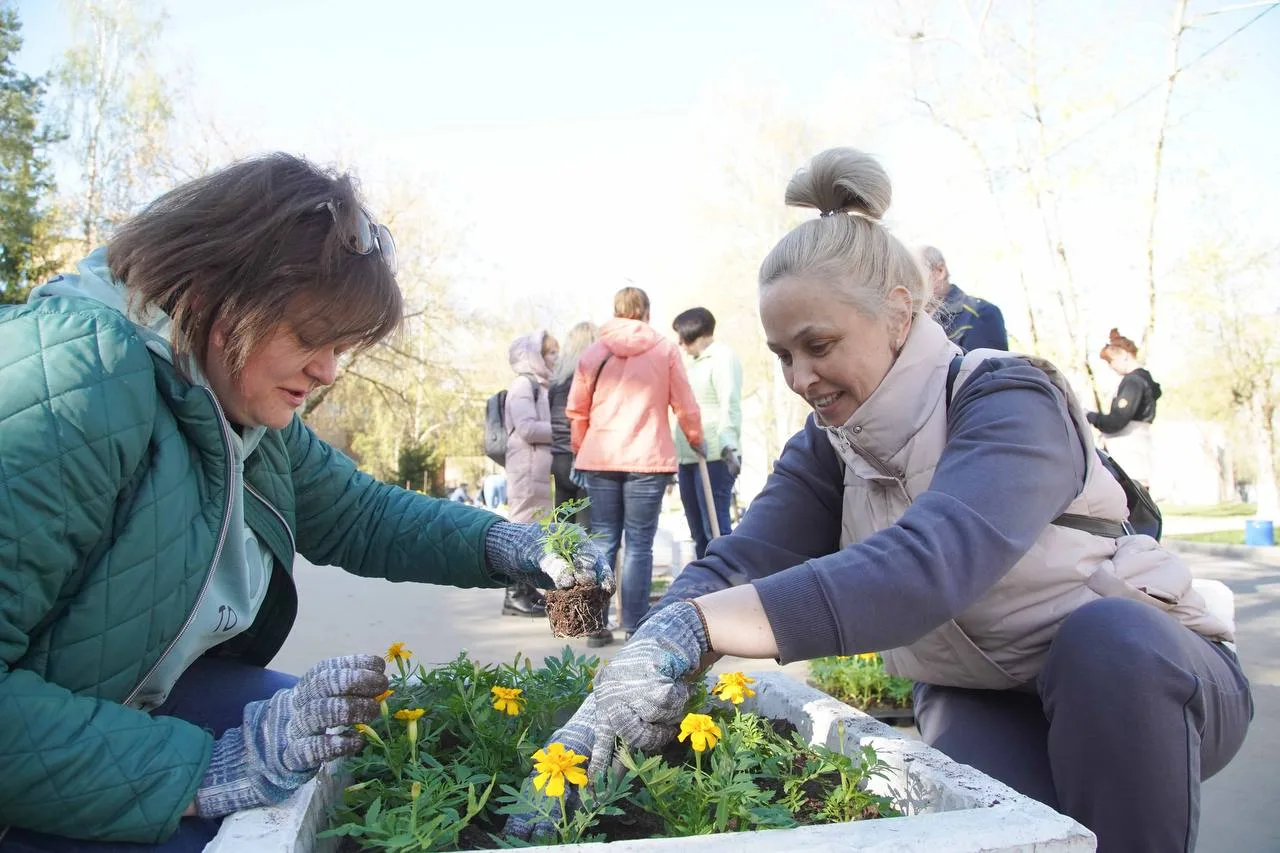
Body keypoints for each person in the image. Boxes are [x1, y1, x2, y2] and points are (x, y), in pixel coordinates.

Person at [514, 149, 1250, 853]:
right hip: (986, 690)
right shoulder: (828, 444)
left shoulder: (1007, 399)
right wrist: (649, 656)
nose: (801, 376)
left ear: (899, 312)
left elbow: (929, 565)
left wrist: (698, 628)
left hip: (1140, 677)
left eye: (819, 344)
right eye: (782, 356)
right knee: (995, 808)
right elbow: (744, 560)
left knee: (1104, 643)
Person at [0, 153, 612, 852]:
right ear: (217, 297)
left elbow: (359, 513)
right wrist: (211, 768)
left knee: (352, 761)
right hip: (42, 750)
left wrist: (507, 546)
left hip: (125, 698)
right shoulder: (77, 382)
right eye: (312, 337)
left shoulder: (238, 402)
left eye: (341, 346)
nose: (327, 371)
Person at [567, 287, 704, 648]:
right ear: (646, 311)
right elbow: (685, 404)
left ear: (615, 311)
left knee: (604, 540)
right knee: (640, 544)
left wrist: (582, 446)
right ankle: (634, 624)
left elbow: (577, 409)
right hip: (648, 457)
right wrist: (695, 437)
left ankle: (596, 625)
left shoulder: (594, 353)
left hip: (601, 457)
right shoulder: (664, 350)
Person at [671, 307, 743, 558]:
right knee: (697, 531)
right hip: (687, 457)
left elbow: (729, 401)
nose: (680, 343)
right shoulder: (686, 363)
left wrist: (729, 445)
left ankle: (729, 586)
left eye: (683, 336)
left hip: (714, 454)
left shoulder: (722, 357)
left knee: (715, 528)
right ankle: (707, 587)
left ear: (697, 332)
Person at [500, 330, 560, 617]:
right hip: (525, 467)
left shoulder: (541, 385)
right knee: (521, 528)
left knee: (535, 531)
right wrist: (564, 430)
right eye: (549, 352)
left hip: (537, 468)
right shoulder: (523, 385)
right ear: (533, 355)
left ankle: (528, 590)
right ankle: (514, 594)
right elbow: (527, 428)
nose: (555, 357)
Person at [1086, 328, 1162, 489]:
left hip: (1129, 450)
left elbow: (1117, 421)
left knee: (1131, 499)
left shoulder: (1133, 382)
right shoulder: (1144, 379)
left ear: (1124, 356)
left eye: (1111, 361)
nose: (1111, 367)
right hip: (1138, 447)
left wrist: (1090, 416)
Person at [547, 321, 598, 524]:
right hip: (587, 455)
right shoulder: (594, 377)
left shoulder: (556, 380)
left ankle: (558, 556)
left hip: (559, 457)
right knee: (593, 527)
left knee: (563, 523)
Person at [921, 245, 1008, 351]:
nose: (907, 284)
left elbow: (987, 366)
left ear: (940, 271)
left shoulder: (980, 314)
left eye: (915, 274)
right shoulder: (915, 325)